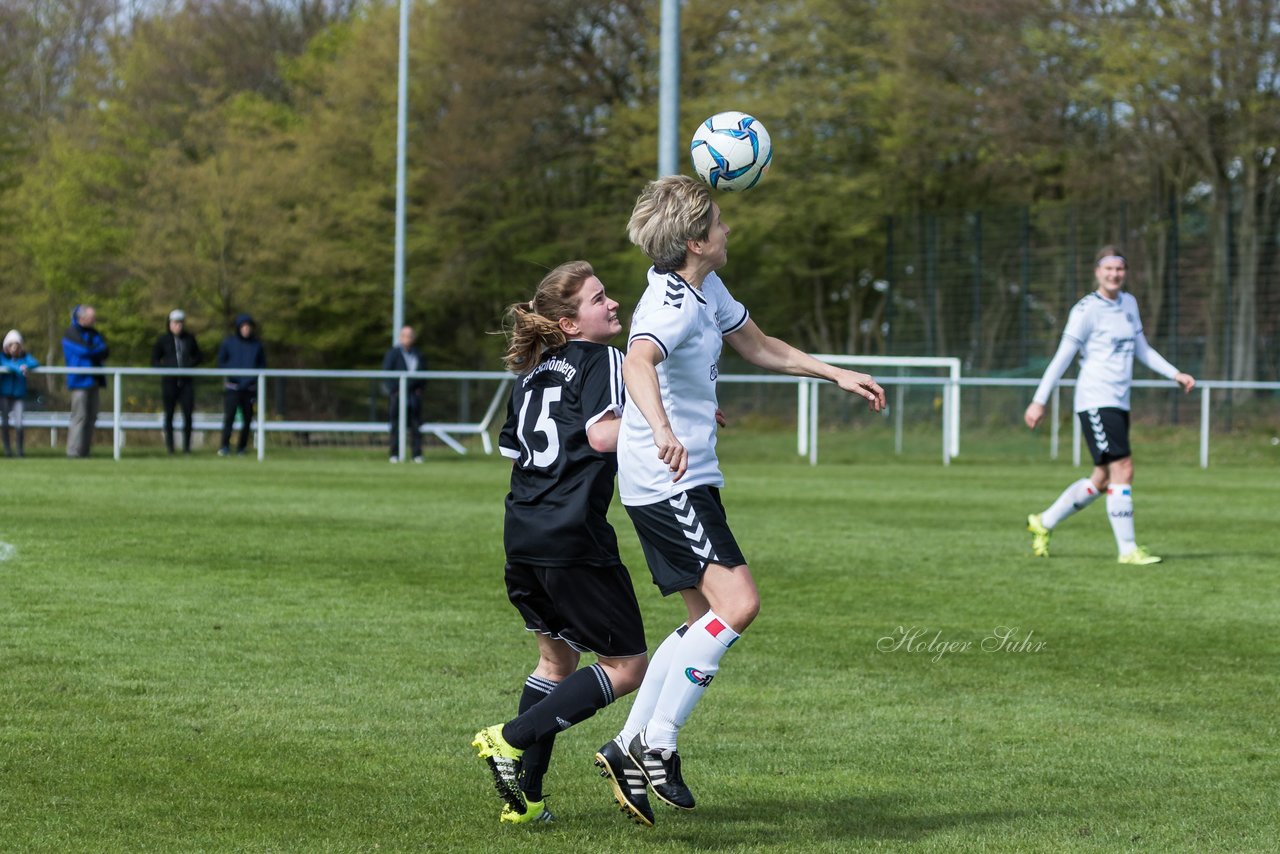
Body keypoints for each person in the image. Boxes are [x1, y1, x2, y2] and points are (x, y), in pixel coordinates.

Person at [598, 176, 885, 820]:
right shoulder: (671, 303)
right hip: (671, 479)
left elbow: (758, 346)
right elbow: (638, 361)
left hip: (683, 477)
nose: (729, 231)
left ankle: (624, 746)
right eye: (720, 224)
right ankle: (659, 744)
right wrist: (667, 429)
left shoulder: (707, 288)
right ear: (696, 241)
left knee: (706, 619)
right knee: (740, 603)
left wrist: (835, 373)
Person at [471, 261, 650, 826]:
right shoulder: (604, 359)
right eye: (600, 300)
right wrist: (675, 421)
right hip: (573, 537)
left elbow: (515, 450)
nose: (614, 304)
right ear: (572, 324)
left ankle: (527, 799)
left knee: (556, 658)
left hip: (522, 531)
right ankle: (511, 736)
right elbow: (602, 434)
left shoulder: (530, 372)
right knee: (627, 666)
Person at [1024, 245, 1195, 564]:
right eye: (1109, 269)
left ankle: (1043, 522)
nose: (1115, 274)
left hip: (1119, 402)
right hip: (1095, 400)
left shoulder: (1129, 303)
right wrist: (1039, 401)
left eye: (1120, 269)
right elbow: (1061, 359)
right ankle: (1127, 549)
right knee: (1124, 469)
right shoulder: (1086, 310)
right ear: (1097, 272)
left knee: (1102, 479)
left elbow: (1142, 349)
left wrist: (1175, 373)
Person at [151, 309, 204, 454]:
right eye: (175, 323)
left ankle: (187, 448)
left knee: (188, 415)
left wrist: (188, 365)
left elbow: (198, 356)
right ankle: (170, 448)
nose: (178, 326)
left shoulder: (189, 339)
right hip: (169, 383)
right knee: (169, 415)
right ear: (169, 324)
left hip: (186, 383)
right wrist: (167, 368)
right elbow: (154, 360)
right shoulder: (163, 340)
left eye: (180, 323)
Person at [61, 304, 109, 458]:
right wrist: (95, 352)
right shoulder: (70, 333)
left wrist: (94, 352)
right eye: (92, 317)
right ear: (82, 318)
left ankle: (84, 451)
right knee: (79, 416)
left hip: (94, 380)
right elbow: (84, 351)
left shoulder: (94, 333)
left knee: (92, 417)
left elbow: (104, 350)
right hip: (79, 381)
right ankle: (73, 452)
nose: (94, 320)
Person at [216, 313, 267, 456]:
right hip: (233, 387)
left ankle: (242, 448)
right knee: (229, 418)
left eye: (248, 327)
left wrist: (251, 379)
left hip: (249, 388)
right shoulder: (229, 342)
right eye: (243, 327)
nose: (246, 329)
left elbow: (262, 365)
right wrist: (232, 374)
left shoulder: (257, 344)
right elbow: (221, 362)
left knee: (248, 419)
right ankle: (224, 446)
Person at [381, 325, 426, 463]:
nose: (408, 338)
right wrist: (394, 390)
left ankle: (416, 454)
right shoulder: (393, 353)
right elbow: (386, 373)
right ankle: (394, 454)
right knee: (395, 425)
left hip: (413, 396)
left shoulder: (418, 354)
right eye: (405, 335)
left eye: (410, 335)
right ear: (401, 337)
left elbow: (425, 374)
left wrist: (420, 389)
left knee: (415, 425)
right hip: (397, 395)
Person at [2, 329, 39, 458]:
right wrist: (18, 368)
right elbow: (7, 364)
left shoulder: (24, 357)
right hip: (5, 394)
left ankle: (19, 451)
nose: (14, 349)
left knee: (19, 424)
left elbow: (34, 362)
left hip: (19, 395)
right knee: (5, 423)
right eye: (11, 346)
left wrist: (25, 365)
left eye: (16, 346)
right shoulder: (3, 357)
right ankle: (7, 450)